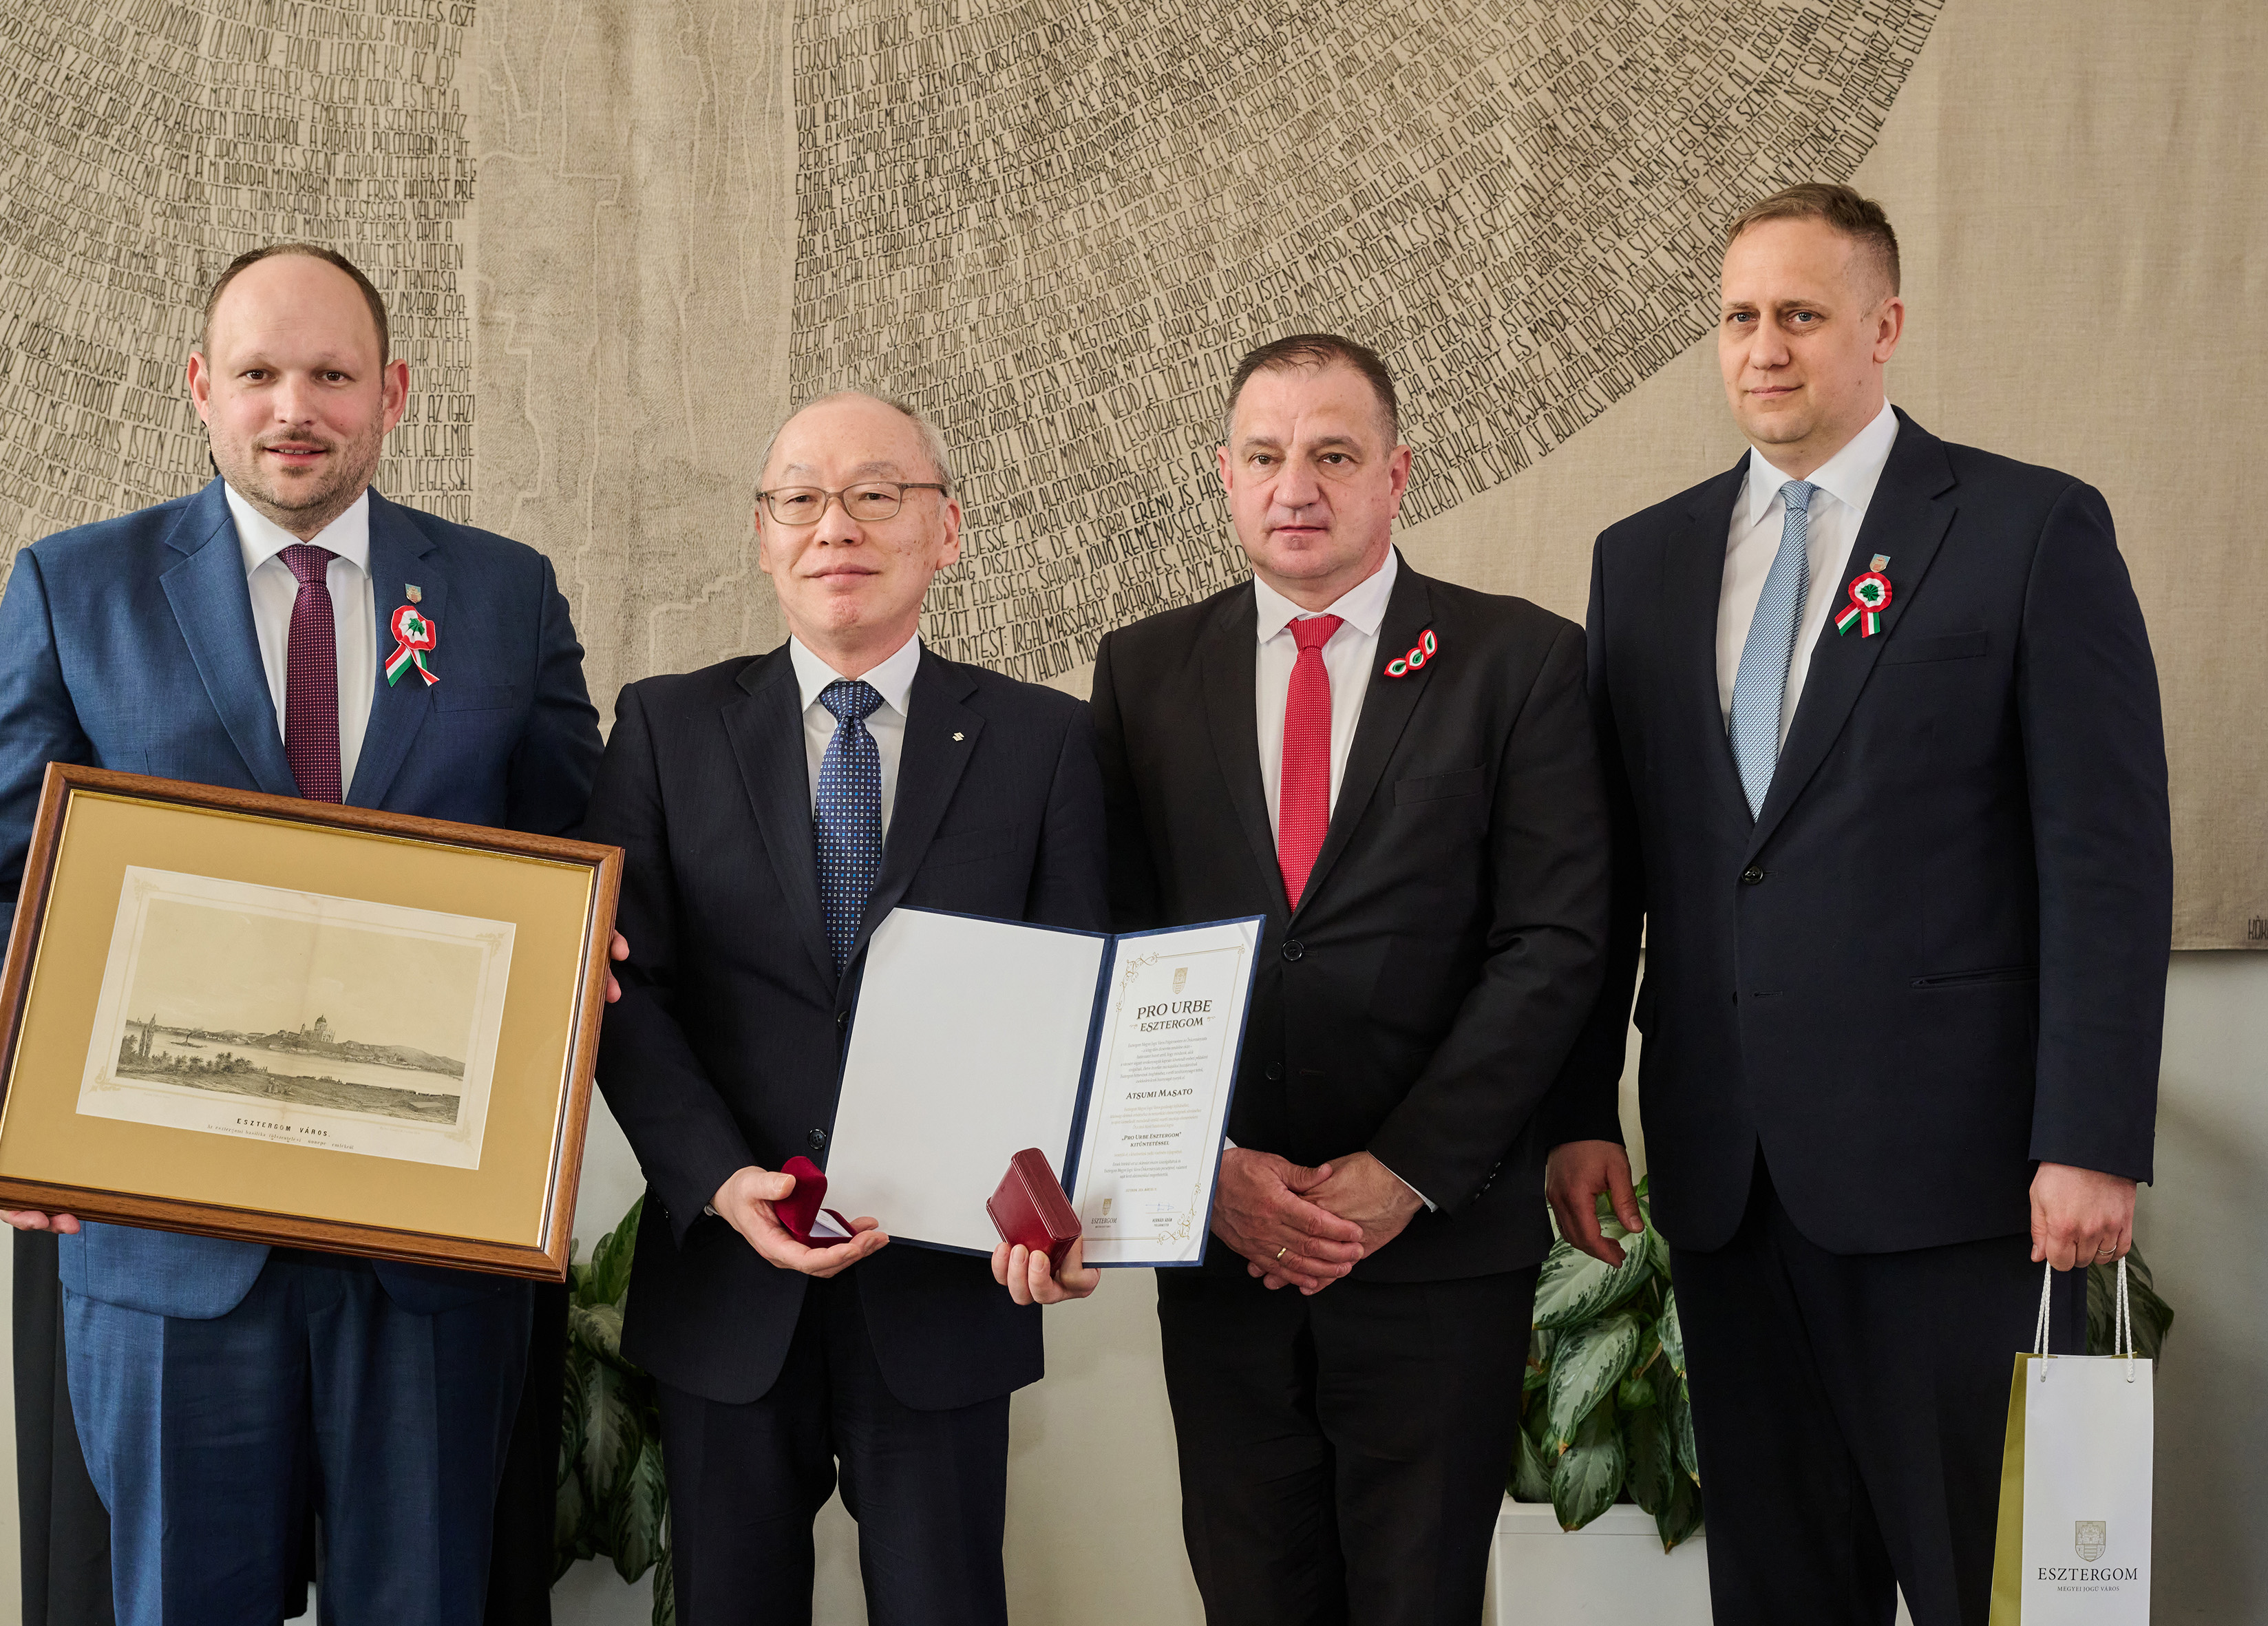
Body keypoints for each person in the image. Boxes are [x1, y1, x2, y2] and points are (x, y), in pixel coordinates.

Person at [0, 242, 608, 1626]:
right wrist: (15, 1109)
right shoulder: (76, 586)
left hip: (428, 1252)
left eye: (332, 375)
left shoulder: (502, 596)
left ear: (391, 394)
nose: (295, 407)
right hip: (165, 1250)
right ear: (201, 386)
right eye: (258, 373)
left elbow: (576, 865)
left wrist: (588, 952)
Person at [1543, 182, 2170, 1626]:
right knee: (1779, 1590)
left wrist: (2088, 1135)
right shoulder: (1641, 561)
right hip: (1727, 1179)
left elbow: (2105, 858)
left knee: (1986, 1588)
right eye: (1738, 317)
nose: (1763, 347)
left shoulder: (2025, 528)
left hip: (1957, 1181)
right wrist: (1579, 1108)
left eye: (1801, 315)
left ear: (1883, 329)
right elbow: (1611, 871)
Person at [1090, 335, 1609, 1624]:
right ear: (1225, 475)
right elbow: (1117, 943)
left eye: (1333, 454)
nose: (1297, 487)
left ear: (1397, 473)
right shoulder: (1142, 672)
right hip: (1227, 1245)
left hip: (1438, 1248)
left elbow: (1553, 943)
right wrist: (1208, 1169)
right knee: (1252, 1595)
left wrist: (1406, 1172)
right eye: (1265, 456)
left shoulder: (1520, 661)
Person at [582, 390, 1106, 1625]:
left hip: (949, 1289)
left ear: (947, 530)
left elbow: (1076, 999)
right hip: (729, 1281)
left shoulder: (1046, 741)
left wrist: (1071, 1203)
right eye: (801, 499)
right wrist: (718, 1178)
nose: (837, 526)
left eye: (877, 494)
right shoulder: (663, 726)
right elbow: (620, 986)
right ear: (763, 535)